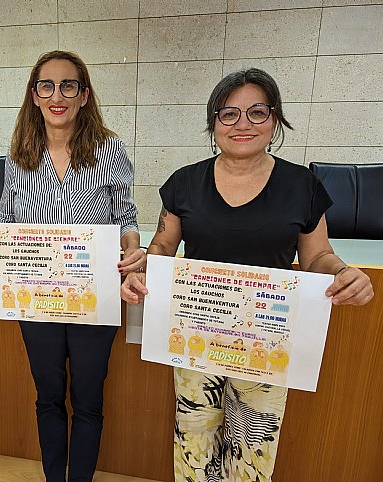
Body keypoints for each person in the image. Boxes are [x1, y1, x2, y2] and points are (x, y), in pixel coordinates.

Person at [121, 68, 374, 482]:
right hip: (196, 332)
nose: (243, 124)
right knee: (194, 439)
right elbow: (164, 246)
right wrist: (142, 270)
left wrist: (344, 272)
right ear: (213, 123)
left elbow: (318, 257)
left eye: (257, 112)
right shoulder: (185, 183)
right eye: (229, 114)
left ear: (275, 120)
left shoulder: (302, 185)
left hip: (266, 339)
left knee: (253, 447)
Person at [0, 50, 144, 482]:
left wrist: (134, 252)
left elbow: (127, 217)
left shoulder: (111, 149)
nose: (57, 95)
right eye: (47, 86)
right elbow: (6, 220)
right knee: (47, 396)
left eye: (68, 86)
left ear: (84, 95)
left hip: (95, 296)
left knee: (87, 400)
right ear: (35, 95)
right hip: (36, 298)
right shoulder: (20, 155)